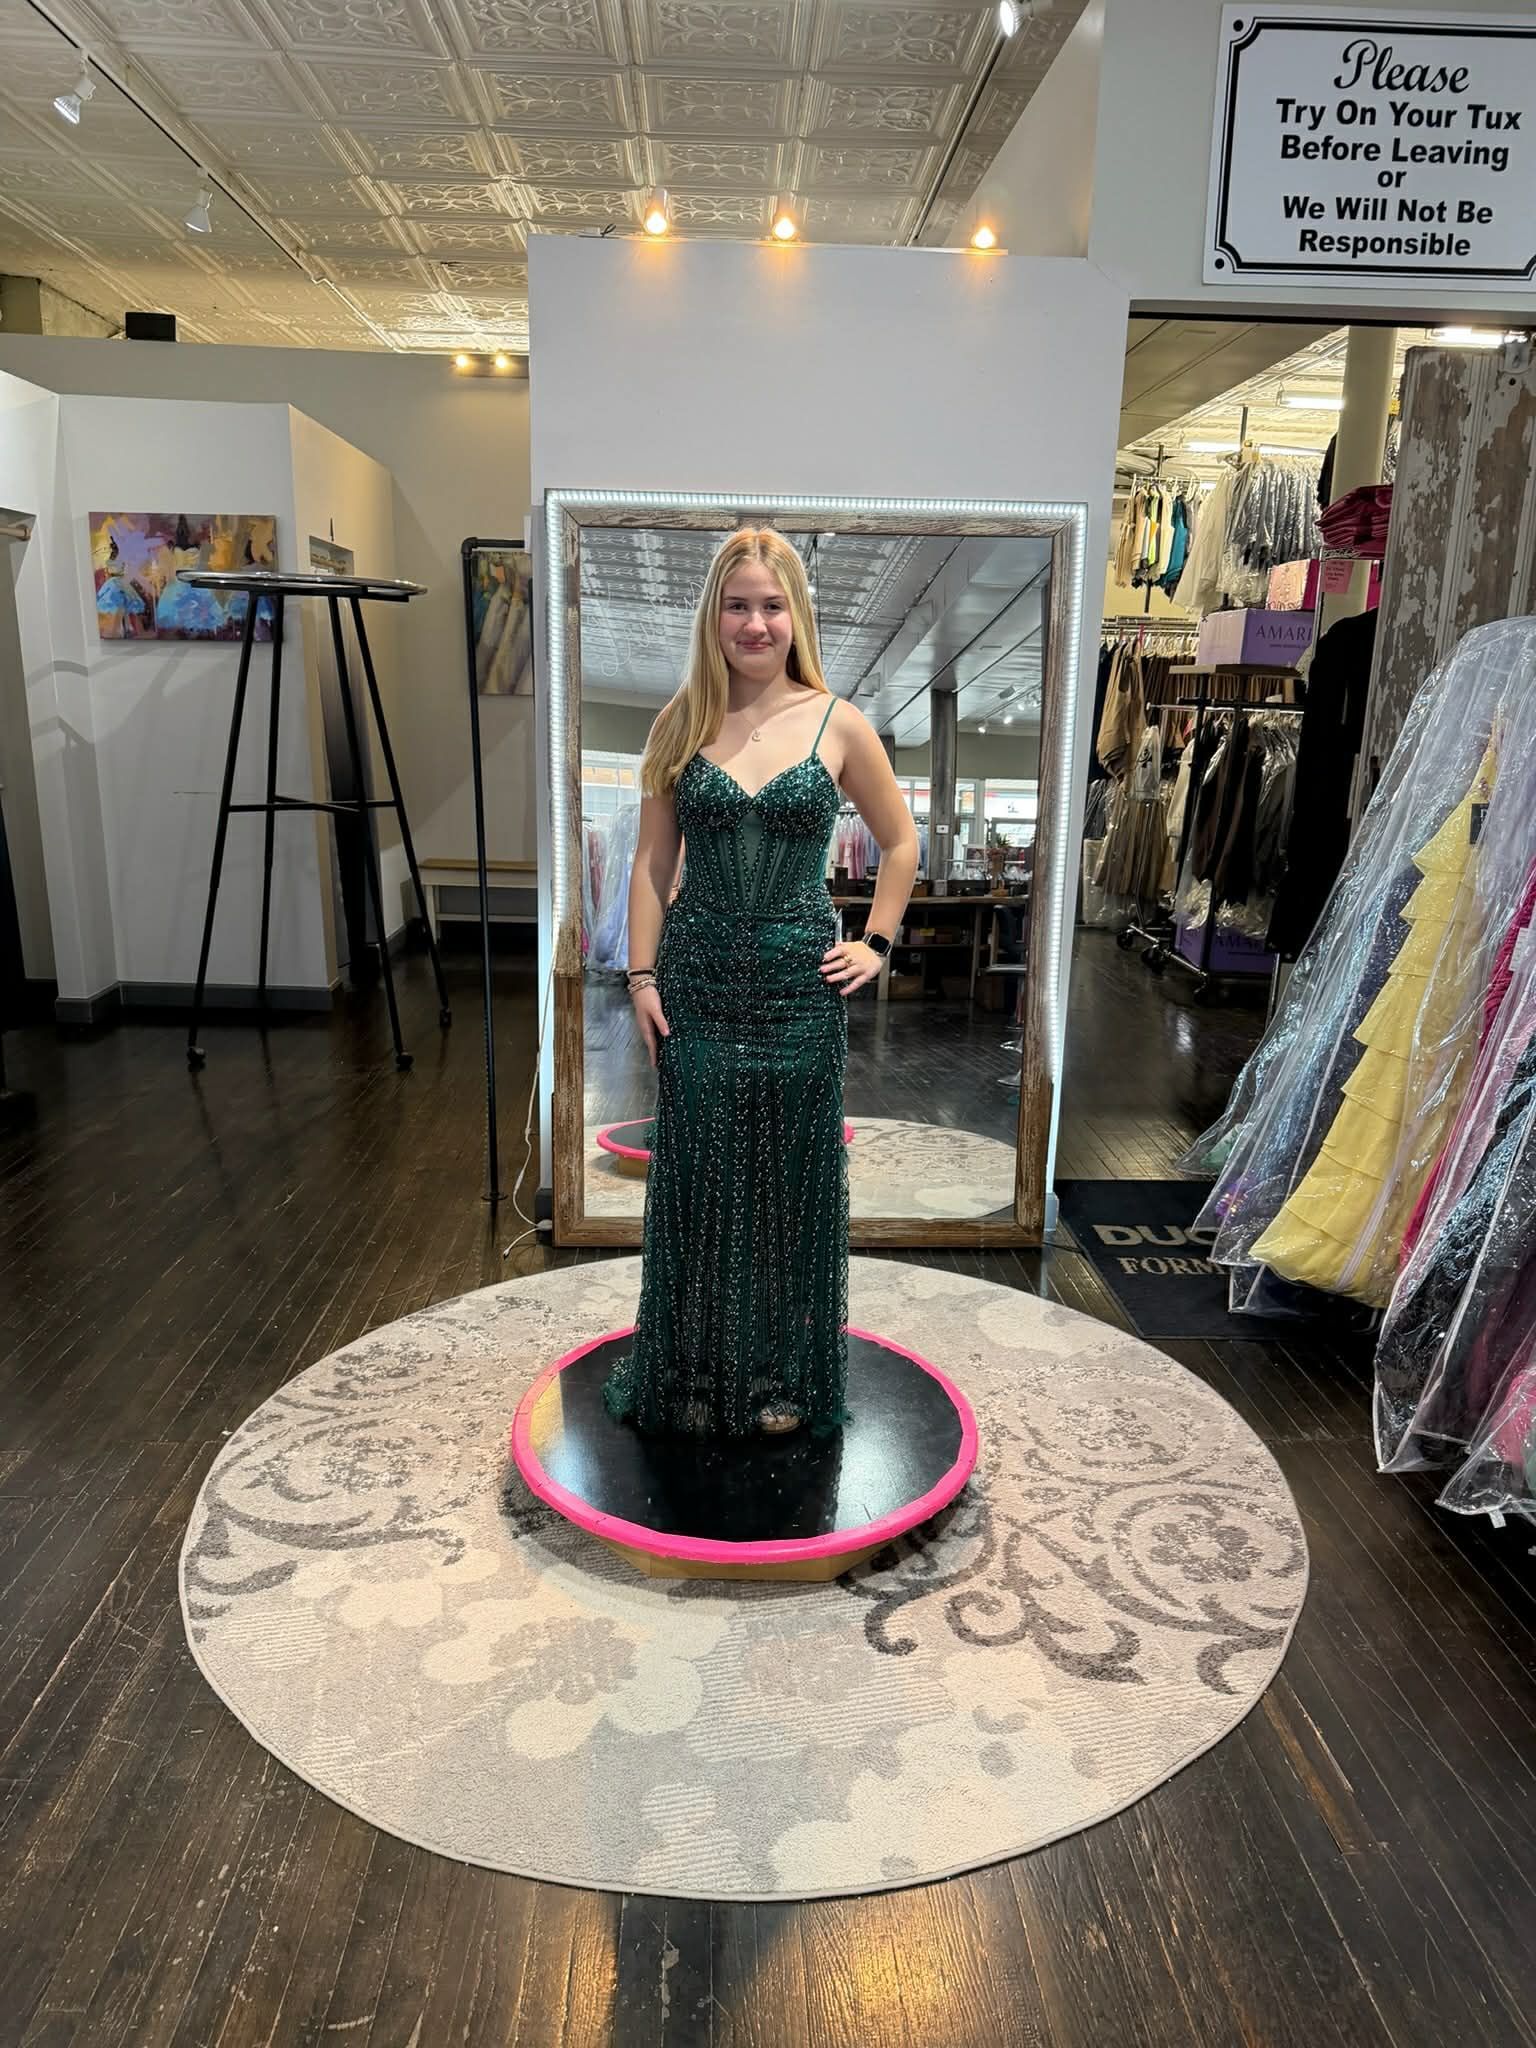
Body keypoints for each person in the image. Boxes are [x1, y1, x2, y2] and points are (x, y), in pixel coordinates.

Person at [605, 528, 919, 1439]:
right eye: (738, 605)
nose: (755, 622)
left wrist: (878, 941)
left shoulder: (838, 721)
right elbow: (651, 862)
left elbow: (901, 842)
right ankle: (695, 1367)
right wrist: (640, 975)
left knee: (791, 1187)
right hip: (696, 986)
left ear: (796, 616)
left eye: (771, 605)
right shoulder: (678, 724)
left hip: (796, 988)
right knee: (699, 1182)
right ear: (715, 617)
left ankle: (783, 1367)